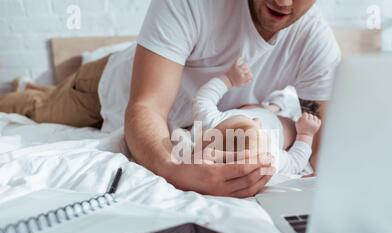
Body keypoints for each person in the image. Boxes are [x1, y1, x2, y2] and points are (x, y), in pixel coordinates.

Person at [0, 0, 341, 197]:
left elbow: (325, 145)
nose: (282, 1)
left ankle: (35, 87)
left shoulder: (316, 41)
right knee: (38, 109)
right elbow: (146, 107)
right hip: (106, 89)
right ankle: (24, 90)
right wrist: (174, 169)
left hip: (182, 119)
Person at [188, 56, 322, 175]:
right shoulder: (269, 156)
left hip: (258, 107)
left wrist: (228, 79)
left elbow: (203, 98)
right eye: (259, 129)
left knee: (256, 108)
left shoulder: (210, 122)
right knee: (290, 126)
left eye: (247, 122)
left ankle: (274, 106)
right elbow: (295, 162)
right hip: (281, 124)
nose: (257, 121)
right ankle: (280, 105)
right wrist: (305, 135)